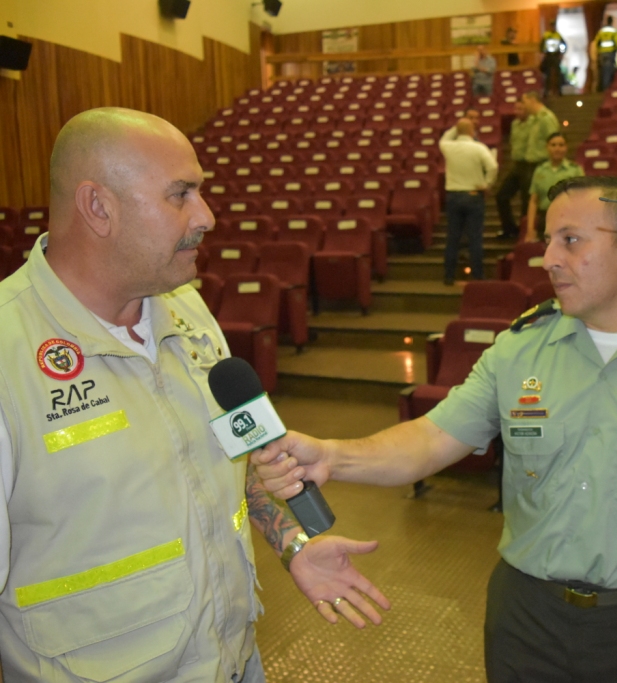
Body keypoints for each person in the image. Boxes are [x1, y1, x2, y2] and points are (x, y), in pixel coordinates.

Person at [253, 176, 617, 682]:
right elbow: (431, 439)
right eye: (547, 240)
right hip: (527, 618)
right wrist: (332, 456)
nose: (547, 258)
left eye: (569, 240)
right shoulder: (519, 349)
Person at [0, 108, 389, 680]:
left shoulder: (186, 309)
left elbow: (236, 460)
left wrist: (293, 544)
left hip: (232, 663)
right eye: (180, 195)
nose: (205, 216)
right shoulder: (9, 351)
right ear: (98, 207)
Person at [439, 118, 497, 285]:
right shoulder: (479, 148)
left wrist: (457, 127)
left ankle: (448, 276)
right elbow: (493, 167)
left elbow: (444, 137)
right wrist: (487, 185)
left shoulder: (448, 146)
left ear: (457, 131)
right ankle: (477, 275)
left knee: (453, 238)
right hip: (473, 195)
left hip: (454, 196)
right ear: (473, 131)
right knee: (475, 238)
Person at [524, 132, 584, 242]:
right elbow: (533, 201)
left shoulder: (575, 170)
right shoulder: (540, 170)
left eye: (561, 145)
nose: (557, 148)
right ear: (547, 147)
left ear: (566, 147)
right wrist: (530, 229)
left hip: (568, 220)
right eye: (553, 145)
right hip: (544, 220)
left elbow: (582, 200)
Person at [495, 101, 531, 240]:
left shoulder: (533, 124)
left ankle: (523, 232)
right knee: (501, 196)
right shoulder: (515, 124)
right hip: (516, 164)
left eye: (521, 108)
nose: (517, 111)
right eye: (516, 108)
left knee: (525, 201)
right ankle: (509, 228)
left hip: (528, 164)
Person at [521, 90, 561, 189]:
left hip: (542, 164)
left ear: (532, 100)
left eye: (524, 102)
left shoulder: (546, 118)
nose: (523, 106)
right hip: (532, 165)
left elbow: (554, 141)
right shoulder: (534, 118)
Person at [539, 24, 567, 98]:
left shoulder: (558, 35)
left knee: (558, 74)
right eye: (552, 26)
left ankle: (559, 91)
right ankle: (546, 91)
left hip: (555, 56)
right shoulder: (546, 35)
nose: (553, 27)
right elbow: (541, 46)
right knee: (547, 75)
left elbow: (564, 45)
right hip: (548, 56)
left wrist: (561, 53)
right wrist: (543, 53)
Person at [593, 16, 617, 92]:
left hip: (602, 54)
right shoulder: (614, 31)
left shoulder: (601, 31)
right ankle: (607, 90)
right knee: (609, 71)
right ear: (612, 22)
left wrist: (599, 51)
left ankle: (603, 89)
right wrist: (614, 51)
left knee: (602, 71)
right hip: (610, 54)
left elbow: (597, 42)